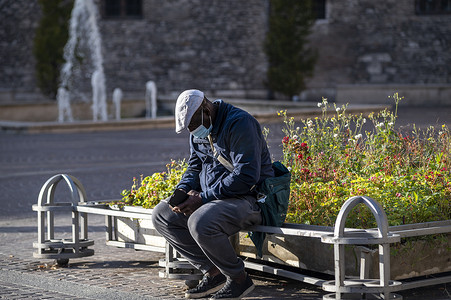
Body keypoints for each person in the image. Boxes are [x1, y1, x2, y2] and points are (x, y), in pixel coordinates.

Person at [152, 89, 274, 300]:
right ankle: (214, 272)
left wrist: (202, 198)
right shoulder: (200, 128)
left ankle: (239, 279)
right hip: (216, 199)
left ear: (206, 110)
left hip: (249, 199)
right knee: (161, 215)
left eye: (193, 126)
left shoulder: (240, 123)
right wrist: (182, 190)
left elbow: (246, 176)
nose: (193, 131)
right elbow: (194, 167)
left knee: (200, 221)